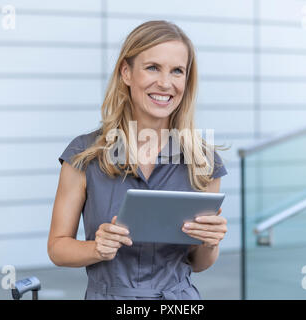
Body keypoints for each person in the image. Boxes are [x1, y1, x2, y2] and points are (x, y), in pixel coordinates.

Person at [47, 20, 229, 300]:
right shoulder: (85, 154)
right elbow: (57, 248)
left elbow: (198, 263)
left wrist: (210, 243)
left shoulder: (203, 162)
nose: (165, 83)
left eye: (177, 71)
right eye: (152, 67)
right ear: (126, 73)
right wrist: (96, 248)